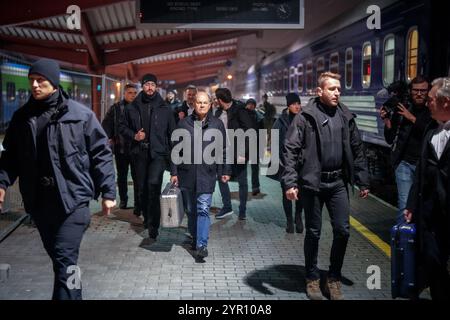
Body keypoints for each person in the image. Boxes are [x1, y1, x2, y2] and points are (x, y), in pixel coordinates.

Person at [0, 58, 116, 300]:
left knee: (64, 257)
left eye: (40, 80)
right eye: (31, 80)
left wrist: (108, 192)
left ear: (53, 82)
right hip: (40, 203)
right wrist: (1, 183)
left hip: (73, 201)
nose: (35, 85)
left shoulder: (81, 115)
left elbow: (101, 154)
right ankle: (74, 292)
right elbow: (10, 157)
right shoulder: (22, 119)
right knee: (62, 262)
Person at [282, 72, 370, 300]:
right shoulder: (305, 117)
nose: (337, 92)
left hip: (338, 182)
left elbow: (357, 148)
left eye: (339, 89)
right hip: (313, 184)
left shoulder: (345, 116)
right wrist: (290, 182)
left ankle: (333, 278)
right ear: (319, 91)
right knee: (313, 232)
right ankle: (312, 278)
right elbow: (290, 150)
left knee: (343, 231)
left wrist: (362, 179)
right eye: (332, 89)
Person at [170, 91, 231, 260]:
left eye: (205, 102)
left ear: (210, 104)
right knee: (191, 210)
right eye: (199, 102)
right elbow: (175, 150)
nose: (202, 105)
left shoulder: (217, 124)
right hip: (186, 174)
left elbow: (224, 150)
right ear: (193, 104)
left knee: (203, 209)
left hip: (207, 174)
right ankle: (196, 238)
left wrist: (225, 171)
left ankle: (202, 244)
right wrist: (174, 172)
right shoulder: (183, 124)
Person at [405, 77, 450, 301]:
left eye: (432, 99)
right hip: (429, 213)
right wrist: (412, 204)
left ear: (446, 103)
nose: (427, 103)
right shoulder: (431, 131)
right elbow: (421, 171)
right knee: (434, 263)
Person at [120, 73, 176, 239]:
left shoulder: (165, 108)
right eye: (147, 84)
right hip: (140, 154)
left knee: (153, 186)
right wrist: (134, 136)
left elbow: (172, 135)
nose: (150, 87)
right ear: (142, 87)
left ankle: (153, 225)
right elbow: (122, 127)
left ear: (156, 87)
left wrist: (174, 168)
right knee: (142, 190)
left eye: (152, 84)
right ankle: (146, 216)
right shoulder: (132, 107)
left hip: (158, 154)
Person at [380, 76, 432, 223]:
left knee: (424, 206)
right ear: (410, 91)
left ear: (428, 92)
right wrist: (387, 122)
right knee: (405, 206)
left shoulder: (432, 109)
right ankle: (403, 243)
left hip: (426, 165)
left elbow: (431, 131)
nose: (419, 94)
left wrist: (413, 119)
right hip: (404, 163)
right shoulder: (402, 108)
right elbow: (390, 139)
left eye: (423, 90)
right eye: (416, 90)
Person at [214, 88, 253, 220]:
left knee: (242, 181)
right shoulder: (218, 112)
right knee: (221, 177)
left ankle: (242, 211)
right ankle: (227, 207)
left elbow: (250, 132)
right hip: (223, 152)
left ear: (219, 100)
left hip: (239, 152)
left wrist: (244, 152)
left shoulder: (240, 110)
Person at [102, 83, 138, 210]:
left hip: (136, 149)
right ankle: (123, 200)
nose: (133, 95)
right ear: (124, 94)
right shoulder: (116, 108)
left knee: (137, 176)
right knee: (122, 176)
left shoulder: (139, 108)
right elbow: (107, 124)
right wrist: (108, 138)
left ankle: (138, 202)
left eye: (135, 93)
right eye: (130, 93)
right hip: (120, 148)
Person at [273, 93, 304, 234]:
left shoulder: (304, 120)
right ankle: (289, 221)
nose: (297, 106)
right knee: (286, 193)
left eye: (298, 103)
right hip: (285, 164)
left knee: (301, 193)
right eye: (293, 104)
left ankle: (298, 218)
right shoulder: (280, 122)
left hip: (302, 164)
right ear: (288, 105)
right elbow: (275, 143)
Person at [245, 98, 264, 196]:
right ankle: (243, 186)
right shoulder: (241, 116)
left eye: (253, 104)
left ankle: (255, 187)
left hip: (255, 146)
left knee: (255, 168)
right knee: (242, 169)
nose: (251, 106)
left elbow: (261, 132)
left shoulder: (259, 117)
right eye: (249, 104)